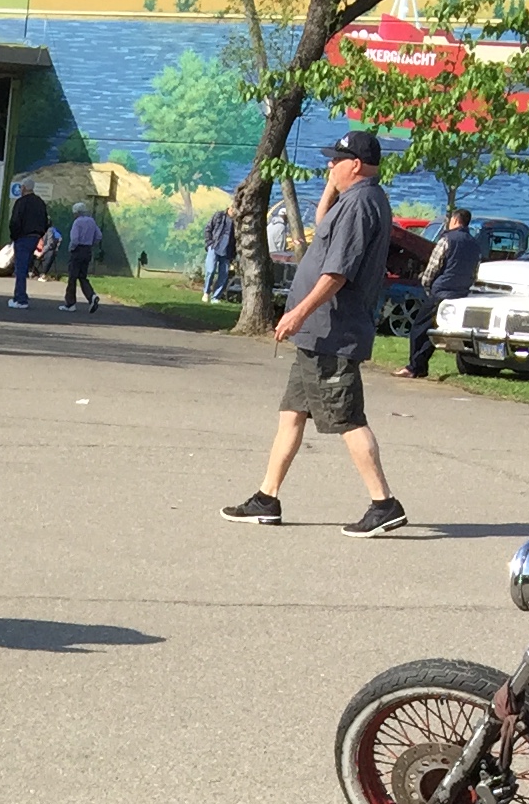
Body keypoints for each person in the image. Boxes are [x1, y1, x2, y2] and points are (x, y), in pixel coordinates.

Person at [220, 126, 406, 537]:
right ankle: (266, 499)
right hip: (317, 335)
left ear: (355, 165)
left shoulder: (361, 204)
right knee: (291, 414)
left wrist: (299, 314)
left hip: (332, 332)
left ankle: (384, 504)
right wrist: (330, 187)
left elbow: (338, 272)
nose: (329, 165)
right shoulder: (352, 201)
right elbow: (323, 228)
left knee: (347, 418)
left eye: (336, 161)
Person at [408, 203, 484, 379]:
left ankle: (414, 367)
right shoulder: (474, 244)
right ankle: (420, 365)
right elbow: (475, 271)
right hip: (461, 293)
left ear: (455, 220)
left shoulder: (447, 239)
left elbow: (433, 266)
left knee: (419, 328)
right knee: (435, 329)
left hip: (441, 291)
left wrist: (427, 285)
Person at [7, 178, 49, 311]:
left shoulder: (21, 202)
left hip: (23, 237)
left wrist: (14, 236)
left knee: (20, 268)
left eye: (21, 187)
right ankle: (20, 296)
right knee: (24, 267)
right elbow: (46, 221)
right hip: (35, 238)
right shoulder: (40, 202)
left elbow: (15, 221)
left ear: (24, 188)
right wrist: (40, 234)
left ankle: (20, 299)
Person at [62, 199, 102, 310]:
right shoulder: (92, 221)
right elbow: (99, 236)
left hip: (78, 250)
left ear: (77, 212)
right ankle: (91, 296)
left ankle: (70, 303)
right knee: (82, 276)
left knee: (72, 277)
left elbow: (75, 239)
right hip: (87, 250)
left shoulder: (77, 222)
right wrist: (91, 243)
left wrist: (71, 248)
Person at [201, 203, 236, 301]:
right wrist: (209, 243)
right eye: (233, 209)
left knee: (224, 275)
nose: (234, 211)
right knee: (210, 270)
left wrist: (234, 254)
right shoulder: (219, 215)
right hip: (214, 247)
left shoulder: (237, 221)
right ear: (229, 208)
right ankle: (206, 292)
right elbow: (208, 228)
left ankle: (215, 297)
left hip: (227, 251)